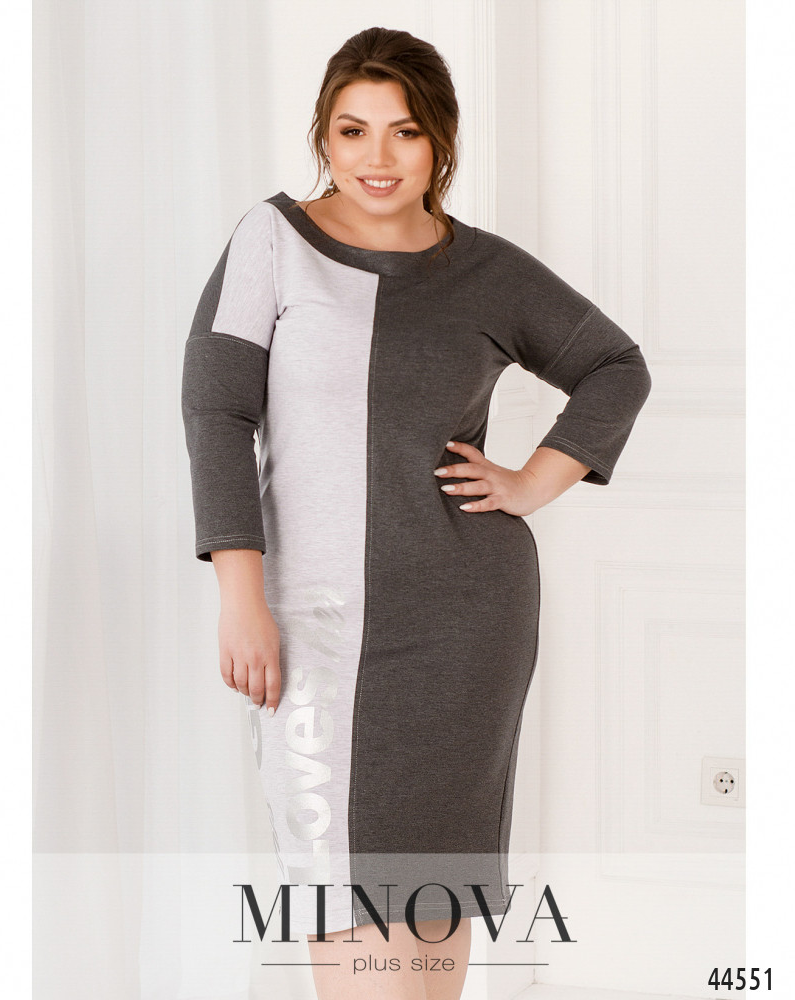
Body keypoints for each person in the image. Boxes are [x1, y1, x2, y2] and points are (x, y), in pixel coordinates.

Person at [181, 25, 652, 1000]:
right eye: (352, 131)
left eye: (404, 131)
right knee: (342, 900)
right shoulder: (271, 240)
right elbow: (218, 413)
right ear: (323, 135)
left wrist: (533, 481)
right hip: (313, 628)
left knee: (432, 918)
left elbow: (615, 365)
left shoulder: (486, 272)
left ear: (440, 140)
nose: (377, 157)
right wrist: (240, 596)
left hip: (462, 626)